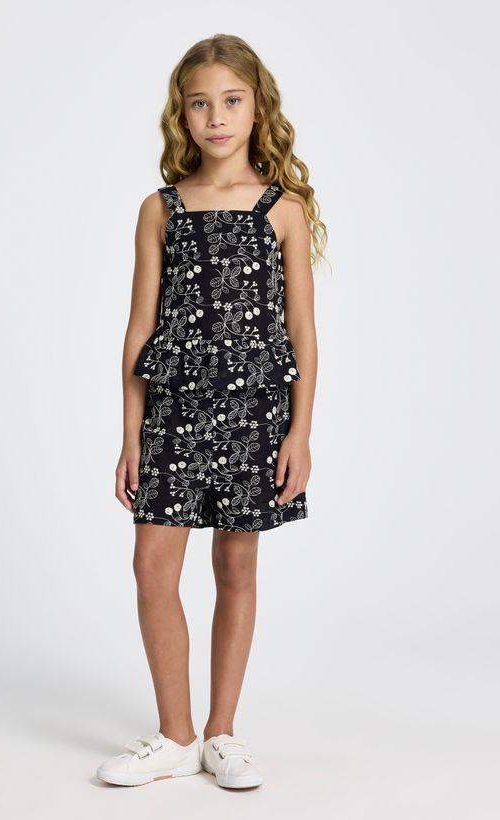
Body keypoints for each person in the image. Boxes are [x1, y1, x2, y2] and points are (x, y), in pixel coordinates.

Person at [97, 33, 327, 789]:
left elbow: (301, 332)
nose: (217, 117)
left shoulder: (283, 210)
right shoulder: (159, 208)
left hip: (254, 409)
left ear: (258, 108)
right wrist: (130, 435)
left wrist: (300, 433)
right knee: (151, 566)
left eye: (231, 100)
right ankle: (175, 734)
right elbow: (140, 328)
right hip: (173, 409)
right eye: (200, 103)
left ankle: (222, 733)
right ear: (182, 115)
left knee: (235, 563)